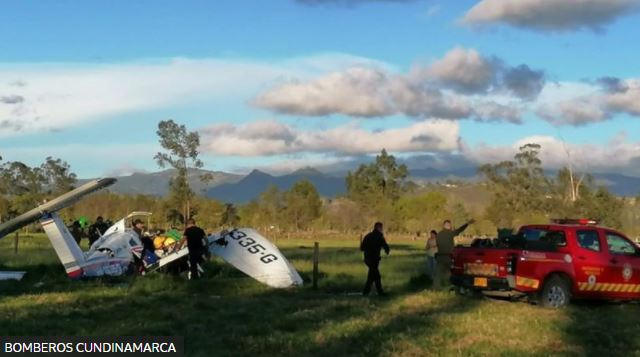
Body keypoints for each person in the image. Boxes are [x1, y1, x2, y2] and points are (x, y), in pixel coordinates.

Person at [434, 218, 475, 290]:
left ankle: (436, 288)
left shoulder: (439, 234)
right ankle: (449, 287)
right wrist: (467, 223)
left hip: (440, 257)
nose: (450, 227)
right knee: (450, 273)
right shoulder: (450, 233)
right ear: (448, 226)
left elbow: (437, 244)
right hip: (448, 257)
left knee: (438, 274)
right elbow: (459, 230)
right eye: (449, 225)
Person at [360, 222, 390, 296]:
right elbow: (385, 246)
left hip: (367, 259)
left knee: (372, 276)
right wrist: (387, 250)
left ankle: (366, 292)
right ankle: (379, 292)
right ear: (378, 228)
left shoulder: (368, 236)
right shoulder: (379, 236)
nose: (382, 229)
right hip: (374, 259)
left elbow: (362, 248)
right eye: (381, 228)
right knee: (376, 276)